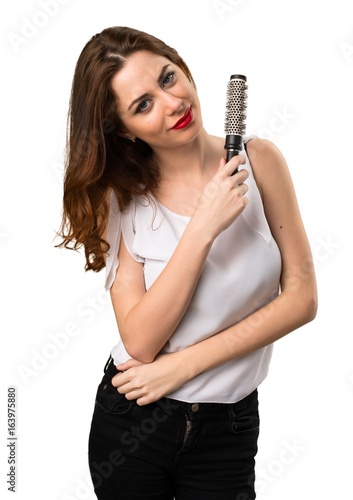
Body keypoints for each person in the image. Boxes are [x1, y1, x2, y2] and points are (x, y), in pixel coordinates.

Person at [57, 26, 317, 500]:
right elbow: (140, 340)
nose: (172, 102)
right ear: (122, 129)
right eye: (143, 104)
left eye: (168, 78)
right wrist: (203, 226)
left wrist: (184, 367)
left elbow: (302, 296)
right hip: (134, 420)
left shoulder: (260, 161)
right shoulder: (122, 200)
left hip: (230, 425)